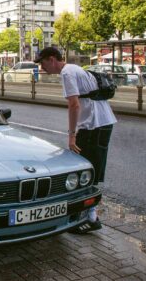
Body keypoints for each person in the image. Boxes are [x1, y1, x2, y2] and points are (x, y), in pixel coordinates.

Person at [34, 47, 116, 234]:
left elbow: (74, 104)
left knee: (88, 170)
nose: (42, 67)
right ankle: (88, 215)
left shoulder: (67, 73)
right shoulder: (74, 69)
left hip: (94, 125)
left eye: (43, 63)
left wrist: (72, 135)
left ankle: (91, 218)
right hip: (100, 123)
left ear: (52, 59)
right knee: (90, 168)